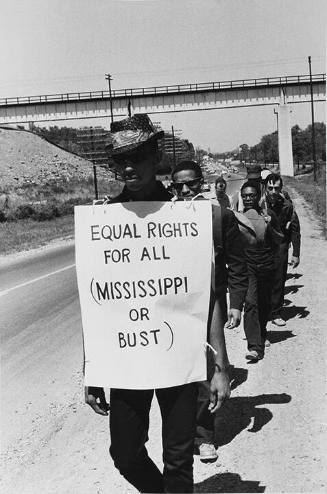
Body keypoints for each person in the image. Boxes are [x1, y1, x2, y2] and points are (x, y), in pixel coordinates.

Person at [85, 114, 230, 493]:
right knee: (126, 453)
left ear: (156, 158)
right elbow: (97, 303)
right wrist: (92, 369)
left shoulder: (186, 218)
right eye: (120, 160)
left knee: (179, 458)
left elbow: (209, 294)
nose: (128, 167)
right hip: (128, 359)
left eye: (137, 157)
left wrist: (220, 365)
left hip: (179, 358)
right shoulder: (104, 219)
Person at [171, 160, 248, 462]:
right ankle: (179, 433)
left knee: (205, 369)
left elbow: (237, 263)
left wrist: (237, 303)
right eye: (179, 185)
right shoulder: (161, 217)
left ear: (201, 183)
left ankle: (204, 437)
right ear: (172, 187)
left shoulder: (219, 216)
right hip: (172, 307)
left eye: (191, 183)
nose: (186, 189)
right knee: (176, 374)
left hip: (208, 304)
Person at [240, 181, 284, 362]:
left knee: (264, 304)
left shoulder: (269, 214)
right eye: (245, 195)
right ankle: (254, 347)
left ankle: (261, 334)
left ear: (259, 196)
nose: (248, 198)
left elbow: (280, 239)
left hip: (267, 264)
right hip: (247, 265)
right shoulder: (237, 217)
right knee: (250, 302)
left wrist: (271, 225)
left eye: (251, 195)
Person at [260, 173, 301, 326]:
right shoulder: (258, 203)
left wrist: (296, 253)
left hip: (280, 246)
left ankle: (276, 312)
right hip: (262, 246)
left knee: (278, 279)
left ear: (281, 189)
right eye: (270, 188)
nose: (273, 192)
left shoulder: (287, 206)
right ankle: (262, 312)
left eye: (276, 188)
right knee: (262, 280)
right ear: (265, 187)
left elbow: (295, 229)